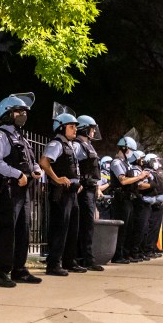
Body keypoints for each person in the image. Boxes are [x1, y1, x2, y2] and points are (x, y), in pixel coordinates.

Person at [0, 93, 42, 288]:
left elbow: (32, 161)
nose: (23, 114)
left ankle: (19, 268)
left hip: (23, 191)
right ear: (7, 113)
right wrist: (18, 174)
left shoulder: (22, 138)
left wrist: (36, 170)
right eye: (19, 111)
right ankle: (1, 272)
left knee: (23, 231)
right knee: (6, 231)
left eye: (24, 111)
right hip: (8, 189)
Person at [39, 113, 86, 276]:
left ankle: (68, 261)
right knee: (60, 228)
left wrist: (76, 183)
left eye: (76, 127)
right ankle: (53, 264)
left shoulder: (69, 145)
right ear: (61, 127)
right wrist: (57, 179)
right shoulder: (56, 143)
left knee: (72, 228)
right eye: (71, 126)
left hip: (71, 192)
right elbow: (44, 162)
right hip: (62, 194)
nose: (75, 130)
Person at [108, 137, 150, 264]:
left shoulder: (125, 163)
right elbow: (123, 180)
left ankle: (125, 253)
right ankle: (117, 255)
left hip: (128, 198)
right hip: (120, 199)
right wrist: (140, 177)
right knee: (122, 228)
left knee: (128, 228)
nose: (132, 153)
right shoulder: (116, 163)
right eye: (131, 150)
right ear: (124, 148)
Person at [73, 115, 104, 271]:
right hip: (83, 189)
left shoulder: (88, 145)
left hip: (91, 188)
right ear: (84, 128)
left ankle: (85, 257)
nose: (93, 131)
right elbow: (73, 164)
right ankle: (85, 258)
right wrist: (79, 182)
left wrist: (97, 187)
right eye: (92, 128)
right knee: (84, 224)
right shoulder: (78, 145)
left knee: (87, 224)